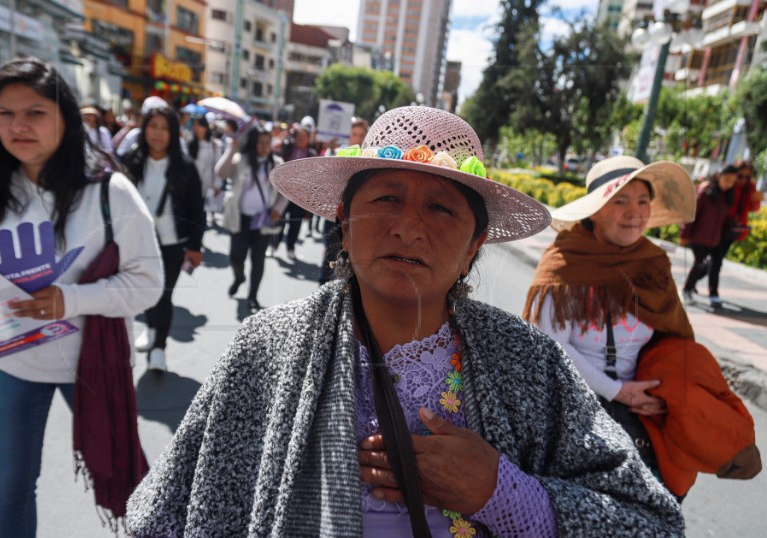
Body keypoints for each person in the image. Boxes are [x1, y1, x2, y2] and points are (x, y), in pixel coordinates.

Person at [127, 107, 684, 537]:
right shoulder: (264, 350)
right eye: (387, 198)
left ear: (474, 246)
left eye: (441, 208)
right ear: (343, 223)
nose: (409, 228)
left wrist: (504, 492)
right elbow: (163, 516)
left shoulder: (528, 361)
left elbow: (651, 521)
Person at [0, 57, 162, 538]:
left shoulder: (109, 191)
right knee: (10, 485)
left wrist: (69, 299)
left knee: (125, 475)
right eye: (4, 113)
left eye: (35, 112)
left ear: (64, 117)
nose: (18, 126)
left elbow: (148, 283)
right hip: (8, 365)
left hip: (90, 366)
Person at [523, 156, 697, 481]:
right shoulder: (565, 263)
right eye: (620, 201)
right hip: (571, 414)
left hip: (640, 417)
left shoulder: (652, 264)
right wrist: (618, 391)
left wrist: (662, 395)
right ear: (596, 210)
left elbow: (673, 336)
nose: (635, 212)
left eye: (643, 201)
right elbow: (551, 349)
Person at [121, 105, 204, 371]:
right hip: (136, 243)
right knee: (146, 292)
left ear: (173, 132)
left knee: (164, 294)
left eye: (164, 128)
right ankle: (152, 329)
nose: (157, 134)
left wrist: (194, 246)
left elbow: (196, 210)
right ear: (143, 129)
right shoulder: (130, 162)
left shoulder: (186, 168)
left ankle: (160, 349)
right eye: (152, 127)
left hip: (172, 243)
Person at [216, 125, 286, 313]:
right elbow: (220, 173)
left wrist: (278, 209)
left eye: (266, 143)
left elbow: (285, 192)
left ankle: (252, 296)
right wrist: (232, 149)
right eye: (259, 143)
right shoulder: (242, 160)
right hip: (240, 219)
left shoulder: (277, 163)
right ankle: (239, 277)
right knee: (235, 257)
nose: (263, 147)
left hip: (262, 222)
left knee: (258, 260)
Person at [319, 117, 370, 285]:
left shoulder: (369, 158)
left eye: (362, 134)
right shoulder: (337, 152)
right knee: (331, 254)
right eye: (354, 133)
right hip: (336, 215)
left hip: (356, 216)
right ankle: (324, 288)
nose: (358, 137)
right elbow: (326, 177)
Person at [680, 165, 737, 306]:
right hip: (698, 236)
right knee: (699, 263)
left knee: (716, 264)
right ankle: (686, 290)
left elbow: (726, 218)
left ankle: (713, 294)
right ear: (718, 176)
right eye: (726, 179)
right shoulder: (705, 191)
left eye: (732, 181)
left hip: (716, 238)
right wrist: (684, 234)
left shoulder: (727, 195)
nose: (728, 184)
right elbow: (691, 213)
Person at [275, 122, 316, 260]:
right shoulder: (286, 148)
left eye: (304, 137)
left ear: (309, 139)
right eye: (299, 136)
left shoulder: (312, 154)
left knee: (295, 223)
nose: (301, 139)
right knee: (279, 220)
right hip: (283, 192)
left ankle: (290, 248)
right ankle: (274, 245)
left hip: (300, 195)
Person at [186, 114, 223, 226]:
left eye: (199, 125)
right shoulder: (189, 142)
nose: (196, 128)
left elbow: (217, 166)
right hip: (189, 187)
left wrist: (217, 185)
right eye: (195, 125)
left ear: (205, 127)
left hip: (205, 187)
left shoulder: (214, 145)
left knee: (201, 218)